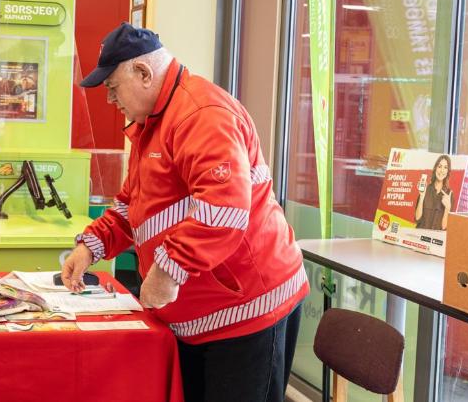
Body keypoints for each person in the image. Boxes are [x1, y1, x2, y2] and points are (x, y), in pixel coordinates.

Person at [61, 23, 309, 402]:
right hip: (199, 314)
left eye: (112, 87)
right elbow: (132, 207)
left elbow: (223, 207)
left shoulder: (200, 114)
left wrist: (167, 269)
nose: (111, 100)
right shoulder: (151, 126)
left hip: (247, 310)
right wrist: (90, 247)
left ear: (143, 73)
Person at [416, 154, 452, 230]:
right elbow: (417, 219)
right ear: (435, 168)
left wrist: (447, 208)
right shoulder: (426, 189)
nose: (442, 170)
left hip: (435, 240)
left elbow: (444, 227)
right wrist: (422, 196)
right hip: (420, 236)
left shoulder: (449, 195)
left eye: (445, 167)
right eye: (439, 166)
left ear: (448, 171)